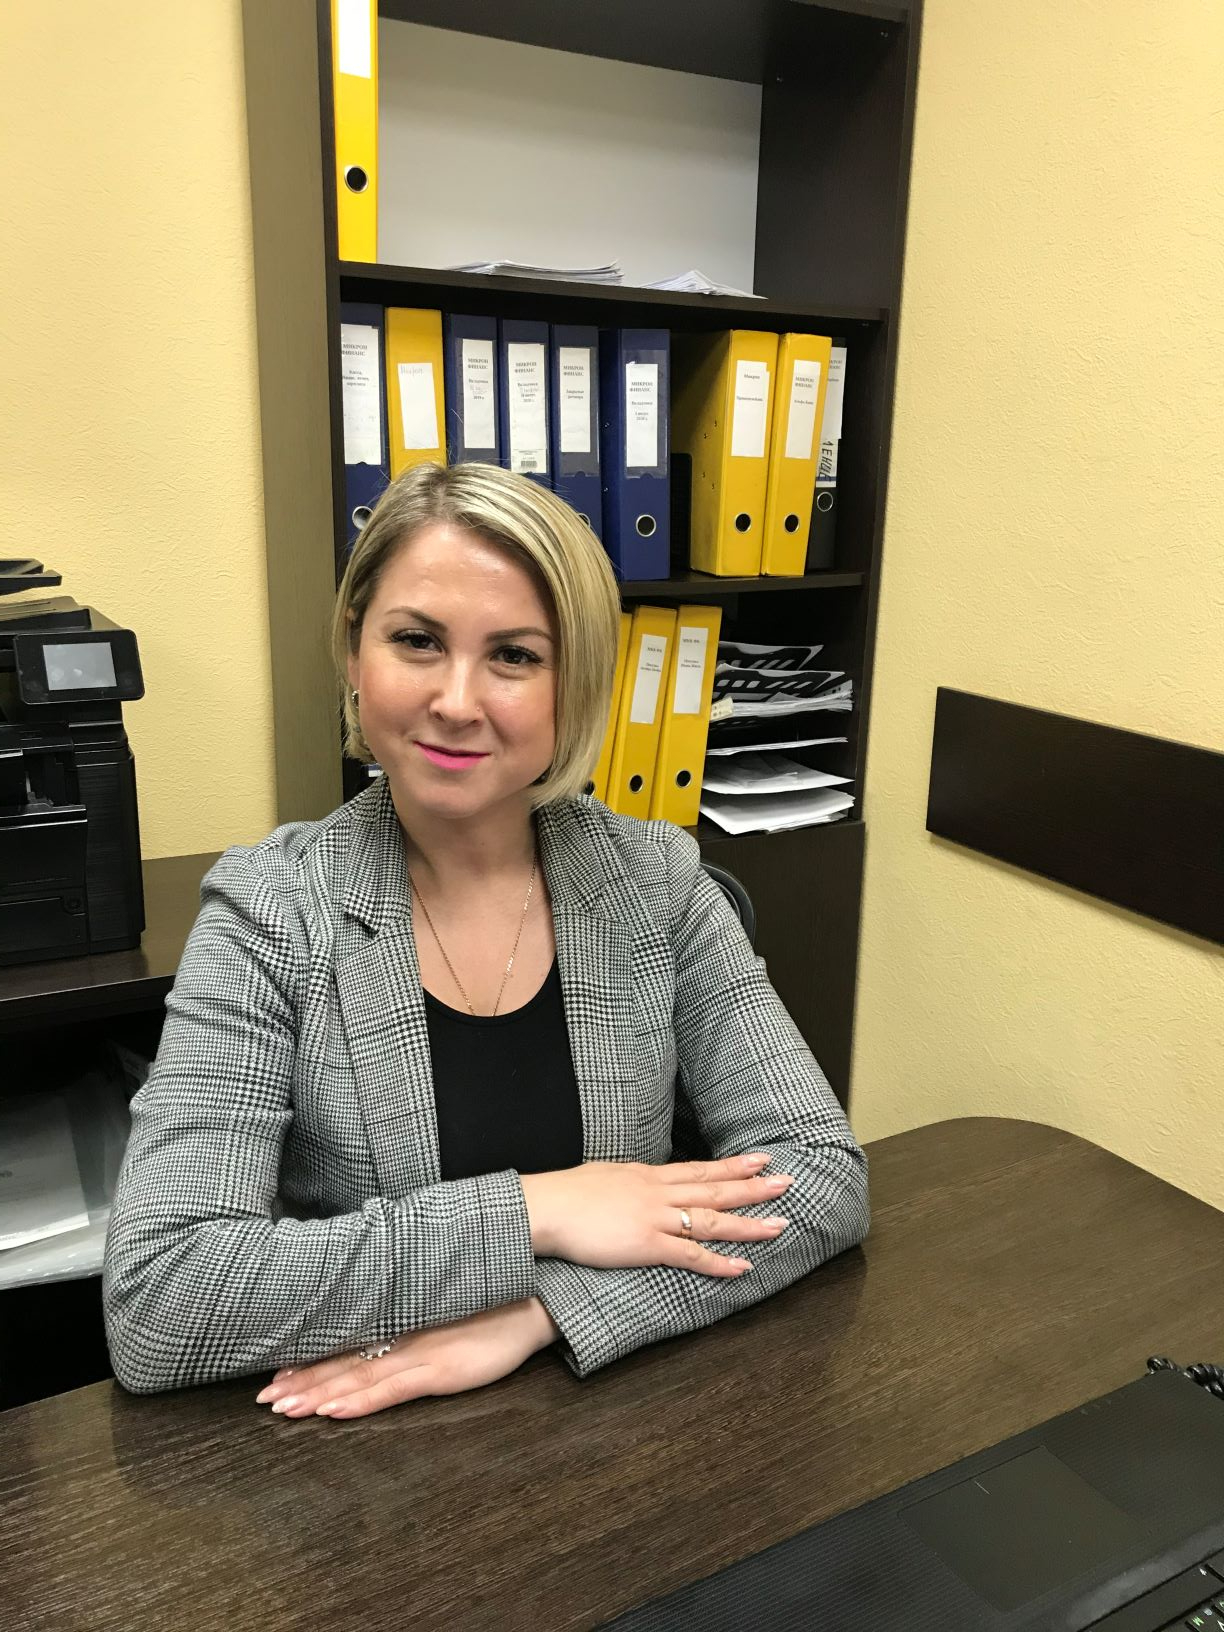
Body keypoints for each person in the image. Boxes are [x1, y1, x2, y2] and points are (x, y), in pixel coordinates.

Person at [102, 461, 869, 1417]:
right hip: (350, 1453)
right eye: (417, 641)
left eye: (514, 656)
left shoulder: (656, 883)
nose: (458, 701)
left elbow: (819, 1174)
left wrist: (546, 1311)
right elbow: (162, 1296)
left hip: (613, 1424)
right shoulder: (272, 910)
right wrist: (539, 1209)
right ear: (355, 652)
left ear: (572, 686)